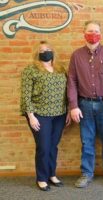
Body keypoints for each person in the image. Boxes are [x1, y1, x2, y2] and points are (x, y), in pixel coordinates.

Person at [67, 20, 103, 188]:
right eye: (90, 31)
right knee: (87, 141)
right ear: (84, 33)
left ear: (101, 34)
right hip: (84, 106)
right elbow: (72, 82)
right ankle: (86, 173)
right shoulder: (76, 56)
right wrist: (73, 105)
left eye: (96, 31)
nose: (93, 34)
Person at [20, 41, 70, 191]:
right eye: (42, 50)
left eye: (48, 49)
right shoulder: (31, 70)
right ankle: (41, 178)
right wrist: (31, 116)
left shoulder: (60, 69)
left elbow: (66, 92)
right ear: (37, 53)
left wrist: (67, 111)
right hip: (40, 115)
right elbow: (25, 94)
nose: (46, 52)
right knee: (43, 146)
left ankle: (51, 174)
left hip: (59, 114)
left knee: (53, 146)